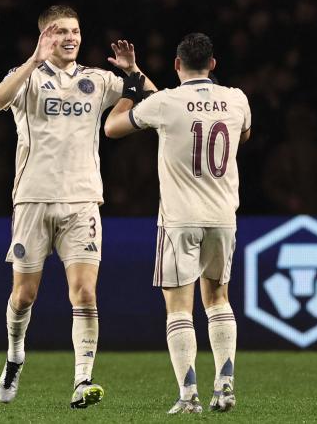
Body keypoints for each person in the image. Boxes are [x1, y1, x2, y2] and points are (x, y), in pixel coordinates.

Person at [0, 5, 156, 408]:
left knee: (84, 293)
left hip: (82, 200)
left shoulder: (96, 80)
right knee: (24, 296)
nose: (70, 37)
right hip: (32, 199)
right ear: (45, 36)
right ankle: (14, 356)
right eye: (60, 31)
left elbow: (153, 98)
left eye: (75, 31)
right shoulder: (27, 78)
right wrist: (33, 59)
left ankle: (83, 379)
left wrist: (133, 71)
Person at [104, 33, 251, 414]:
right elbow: (244, 135)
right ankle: (226, 385)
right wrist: (137, 72)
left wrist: (130, 85)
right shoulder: (237, 99)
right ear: (213, 64)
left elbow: (113, 127)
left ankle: (189, 396)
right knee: (219, 300)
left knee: (179, 309)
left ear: (176, 65)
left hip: (179, 220)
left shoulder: (167, 103)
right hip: (222, 217)